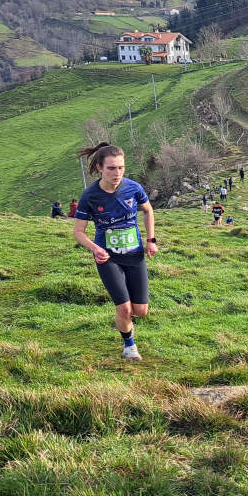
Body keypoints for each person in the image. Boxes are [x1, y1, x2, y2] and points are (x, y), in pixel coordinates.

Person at [72, 143, 157, 360]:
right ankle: (130, 347)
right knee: (125, 308)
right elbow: (79, 232)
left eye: (120, 167)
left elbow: (148, 211)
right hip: (108, 257)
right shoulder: (90, 196)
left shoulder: (134, 188)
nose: (117, 173)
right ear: (100, 167)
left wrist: (151, 240)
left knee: (141, 311)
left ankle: (126, 318)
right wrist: (95, 248)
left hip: (135, 254)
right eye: (111, 168)